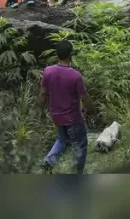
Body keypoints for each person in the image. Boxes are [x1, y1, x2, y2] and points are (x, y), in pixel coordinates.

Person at [40, 40, 95, 175]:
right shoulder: (75, 75)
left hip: (56, 116)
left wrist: (40, 109)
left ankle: (49, 161)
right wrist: (92, 110)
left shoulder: (48, 71)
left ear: (57, 54)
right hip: (73, 118)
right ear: (70, 55)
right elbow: (84, 97)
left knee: (62, 140)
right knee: (80, 144)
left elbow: (42, 93)